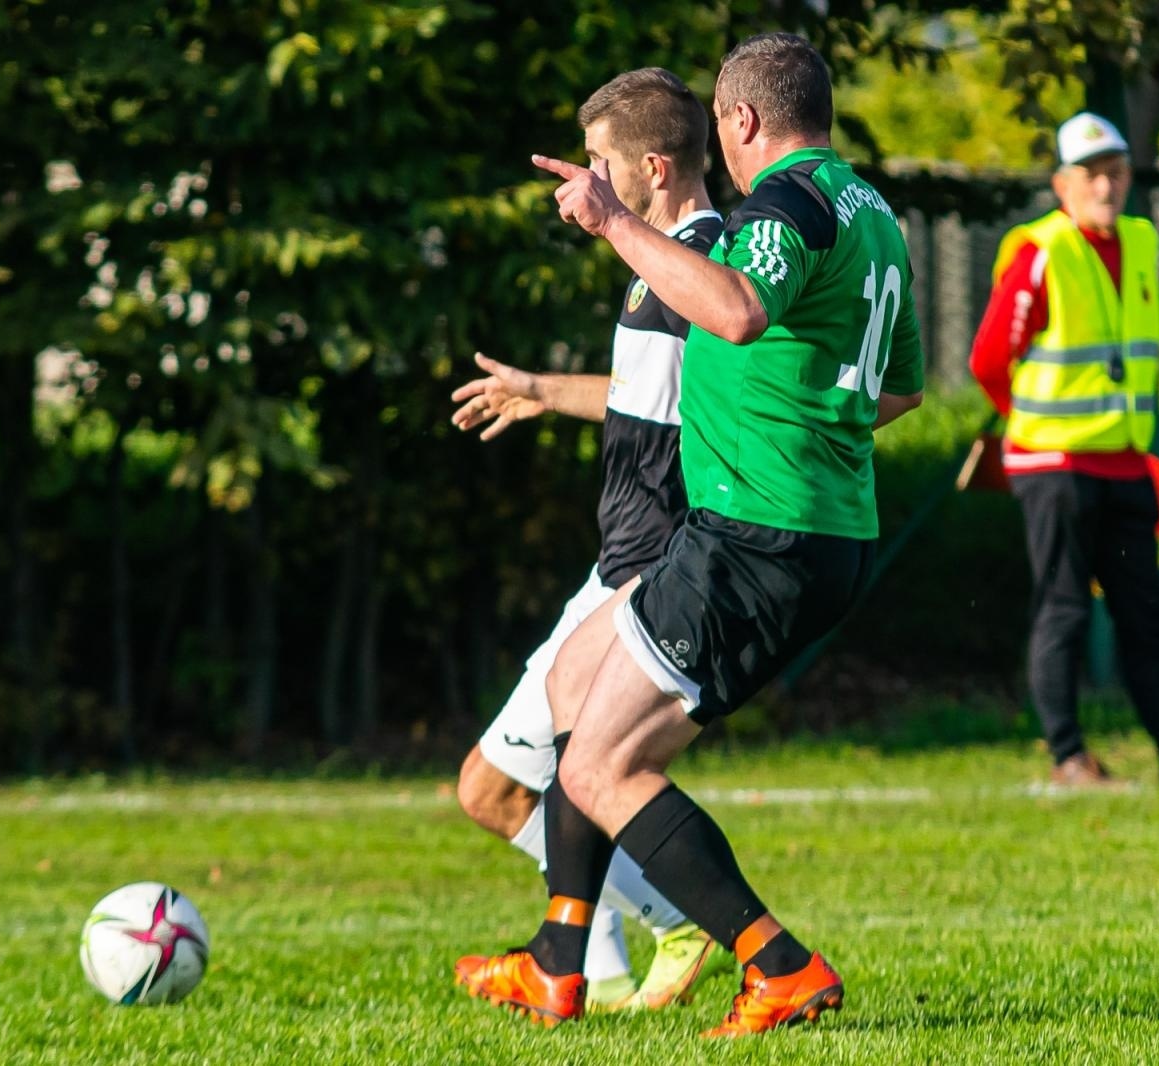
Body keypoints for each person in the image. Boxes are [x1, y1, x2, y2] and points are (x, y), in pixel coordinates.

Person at [454, 33, 925, 1037]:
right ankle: (559, 958)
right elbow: (898, 388)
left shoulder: (786, 206)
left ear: (742, 119)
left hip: (758, 533)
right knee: (576, 682)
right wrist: (798, 427)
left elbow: (740, 311)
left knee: (599, 768)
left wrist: (612, 218)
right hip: (803, 525)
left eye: (720, 123)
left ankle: (776, 962)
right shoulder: (871, 212)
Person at [448, 67, 729, 1013]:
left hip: (645, 573)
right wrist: (541, 390)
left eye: (602, 163)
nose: (588, 183)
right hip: (621, 564)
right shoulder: (665, 266)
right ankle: (594, 974)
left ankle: (668, 926)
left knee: (511, 786)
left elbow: (713, 418)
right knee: (507, 787)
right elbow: (646, 401)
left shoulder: (701, 268)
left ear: (655, 167)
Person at [968, 112, 1159, 788]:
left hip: (1124, 461)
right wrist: (1030, 427)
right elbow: (989, 359)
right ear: (1063, 185)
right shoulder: (1041, 250)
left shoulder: (1140, 242)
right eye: (1090, 174)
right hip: (1055, 466)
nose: (1105, 186)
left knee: (1146, 613)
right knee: (1063, 608)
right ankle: (1069, 757)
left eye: (1115, 172)